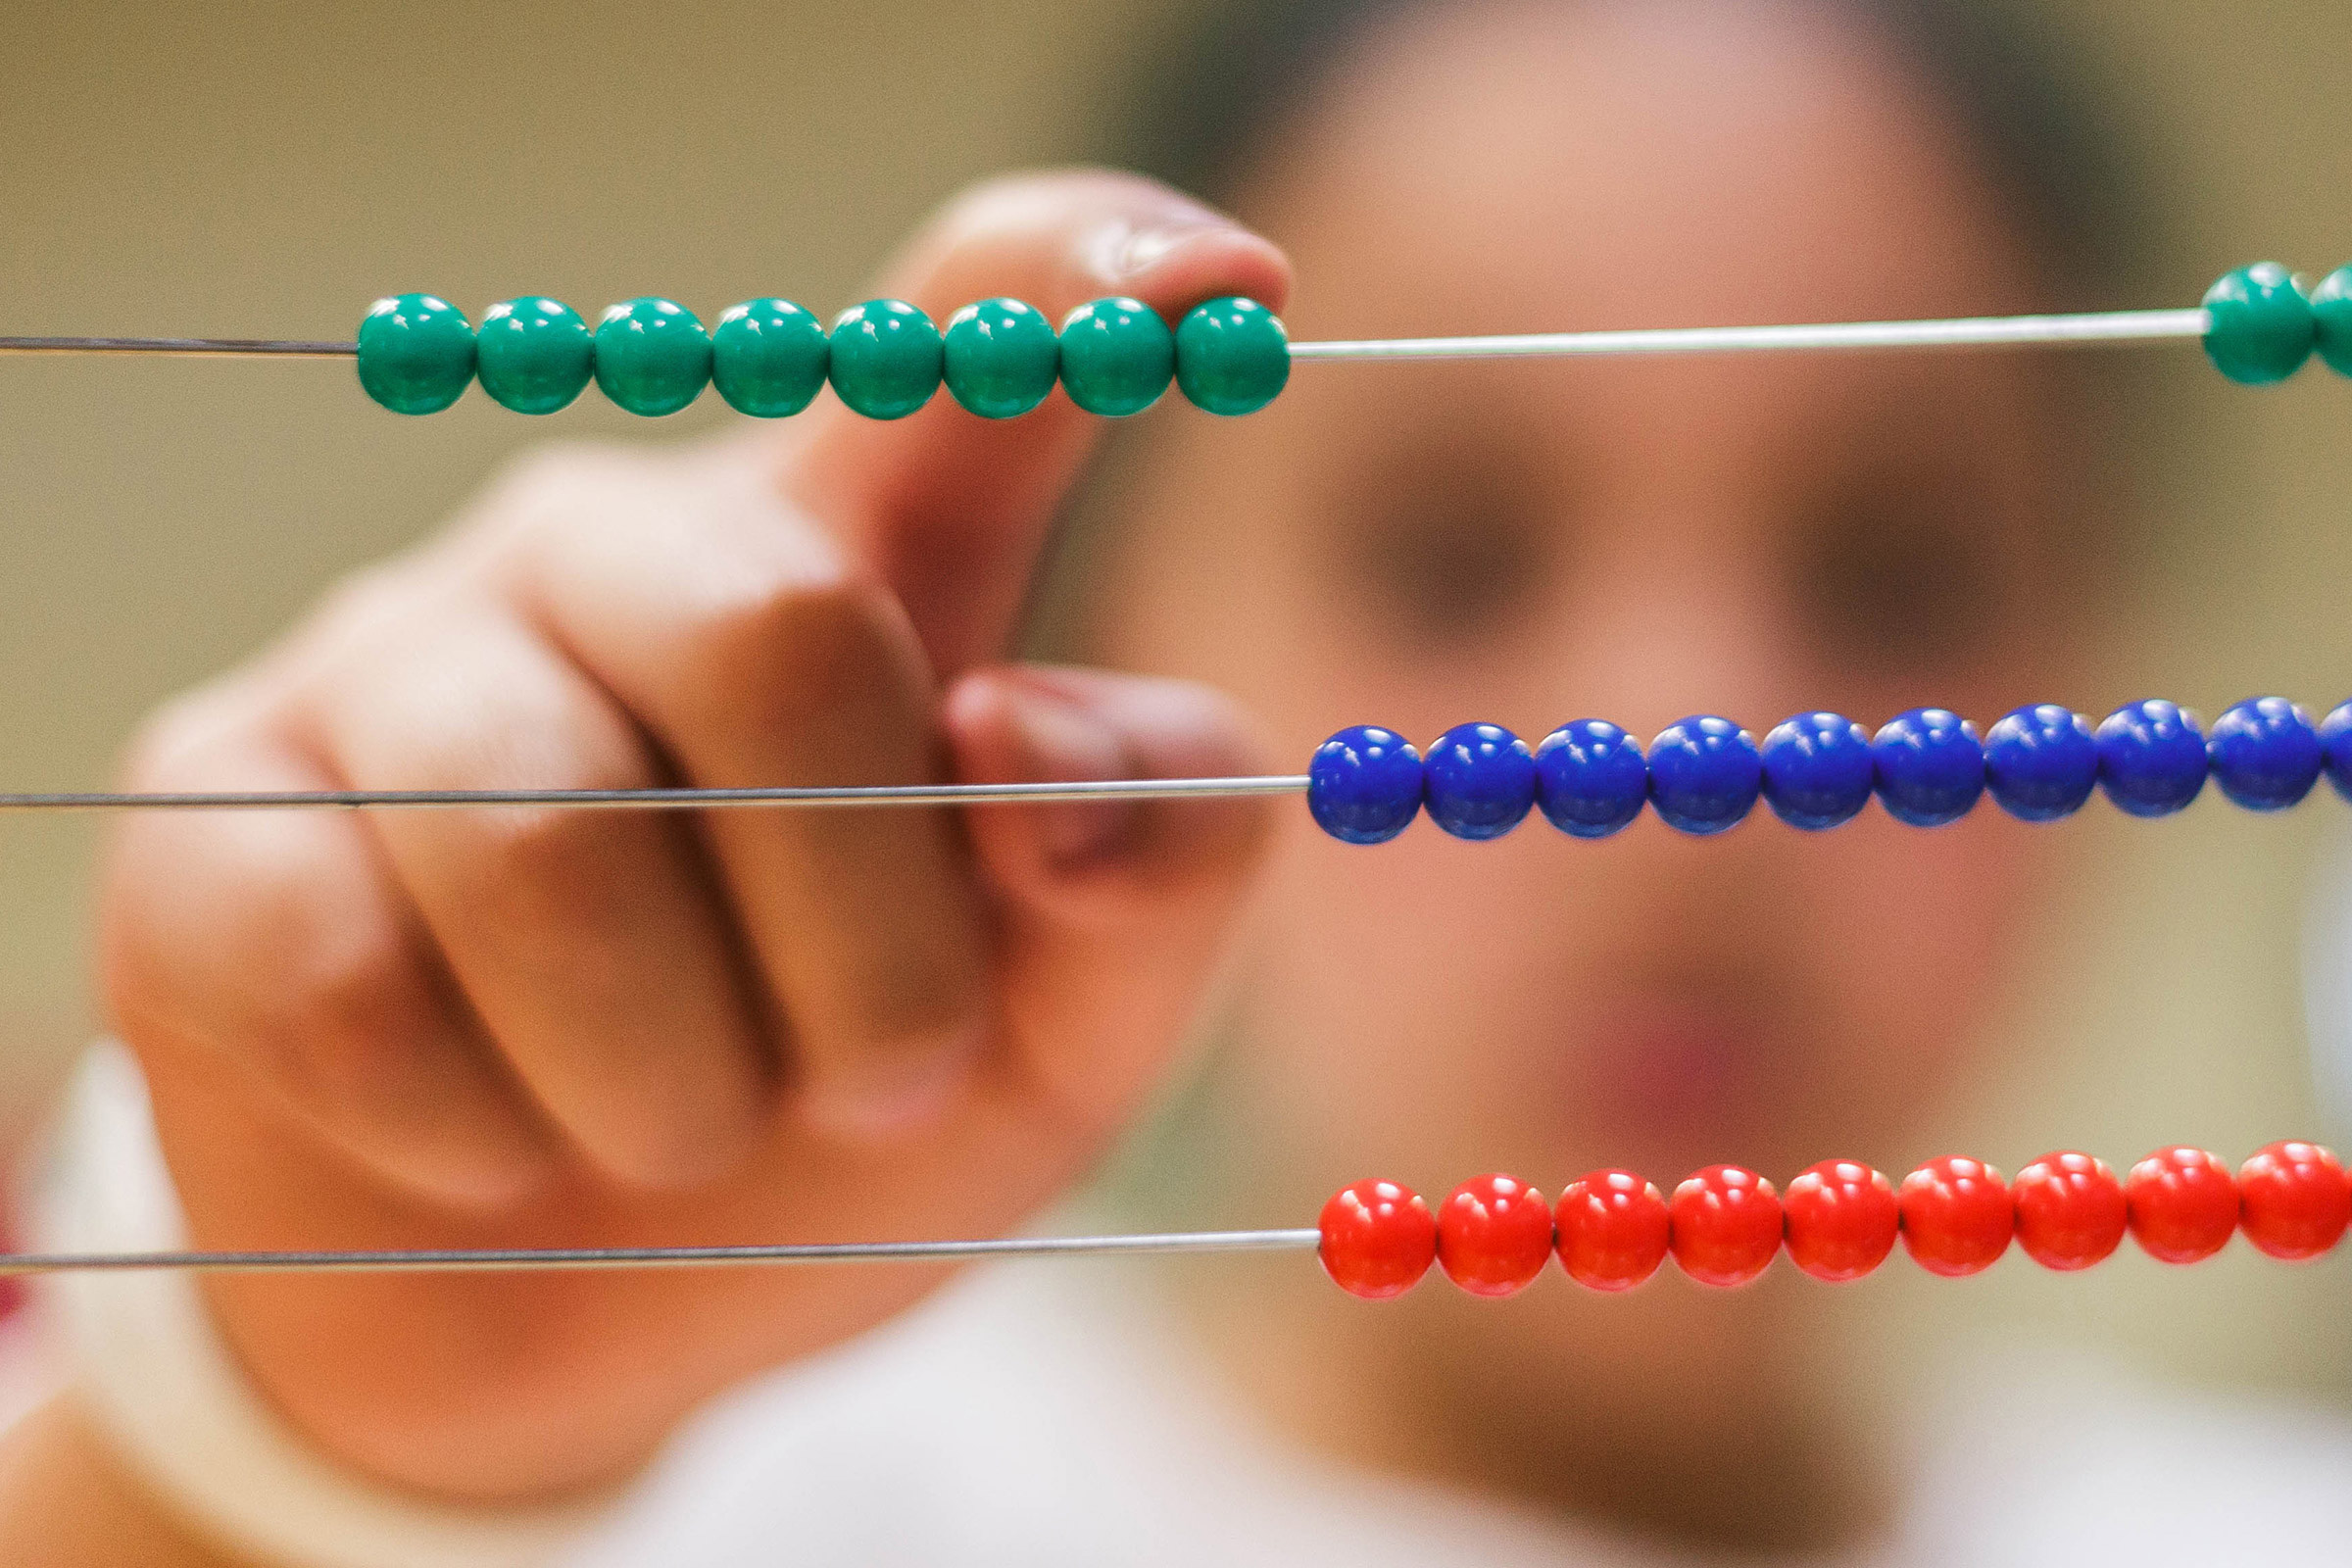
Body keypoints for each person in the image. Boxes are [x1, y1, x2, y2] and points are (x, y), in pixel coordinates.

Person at [4, 0, 2347, 1561]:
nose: (1687, 763)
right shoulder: (772, 1497)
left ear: (2111, 663)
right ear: (1107, 637)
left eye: (1903, 569)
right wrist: (270, 1469)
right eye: (1446, 551)